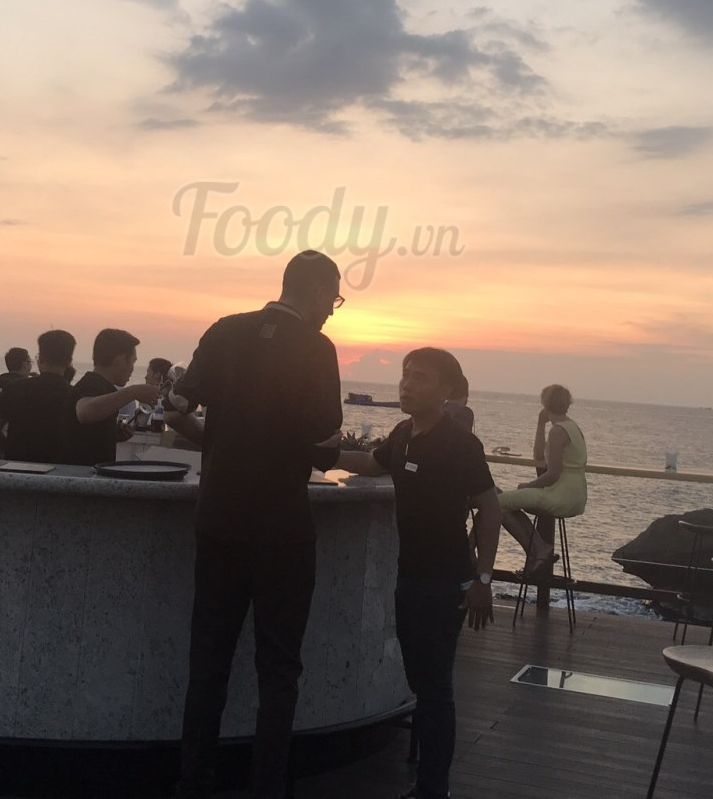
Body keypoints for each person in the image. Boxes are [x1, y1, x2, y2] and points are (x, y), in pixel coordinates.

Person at [164, 250, 346, 799]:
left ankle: (193, 782)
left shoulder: (224, 330)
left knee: (208, 660)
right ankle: (266, 787)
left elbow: (176, 407)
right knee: (279, 668)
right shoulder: (316, 348)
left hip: (218, 518)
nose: (332, 312)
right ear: (317, 292)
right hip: (282, 527)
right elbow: (325, 436)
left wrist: (222, 440)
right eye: (334, 300)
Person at [335, 348, 500, 799]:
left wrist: (484, 580)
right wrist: (320, 452)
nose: (407, 384)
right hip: (409, 577)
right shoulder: (403, 433)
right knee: (420, 682)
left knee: (435, 689)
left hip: (446, 583)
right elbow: (373, 463)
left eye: (421, 377)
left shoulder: (459, 443)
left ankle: (433, 788)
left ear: (447, 390)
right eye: (406, 375)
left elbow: (489, 508)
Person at [497, 383, 587, 575]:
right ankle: (538, 549)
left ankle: (536, 550)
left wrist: (528, 486)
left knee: (495, 503)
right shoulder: (571, 427)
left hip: (560, 495)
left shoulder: (558, 431)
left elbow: (553, 473)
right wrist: (540, 424)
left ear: (545, 404)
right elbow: (539, 456)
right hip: (575, 494)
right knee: (506, 503)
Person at [0, 330, 77, 462]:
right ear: (69, 361)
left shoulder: (15, 388)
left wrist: (9, 449)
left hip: (17, 465)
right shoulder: (74, 395)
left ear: (40, 358)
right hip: (58, 467)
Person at [70, 329, 155, 463]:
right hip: (81, 474)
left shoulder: (100, 386)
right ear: (121, 360)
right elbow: (85, 412)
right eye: (132, 362)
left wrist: (111, 434)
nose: (132, 368)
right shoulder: (92, 385)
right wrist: (135, 391)